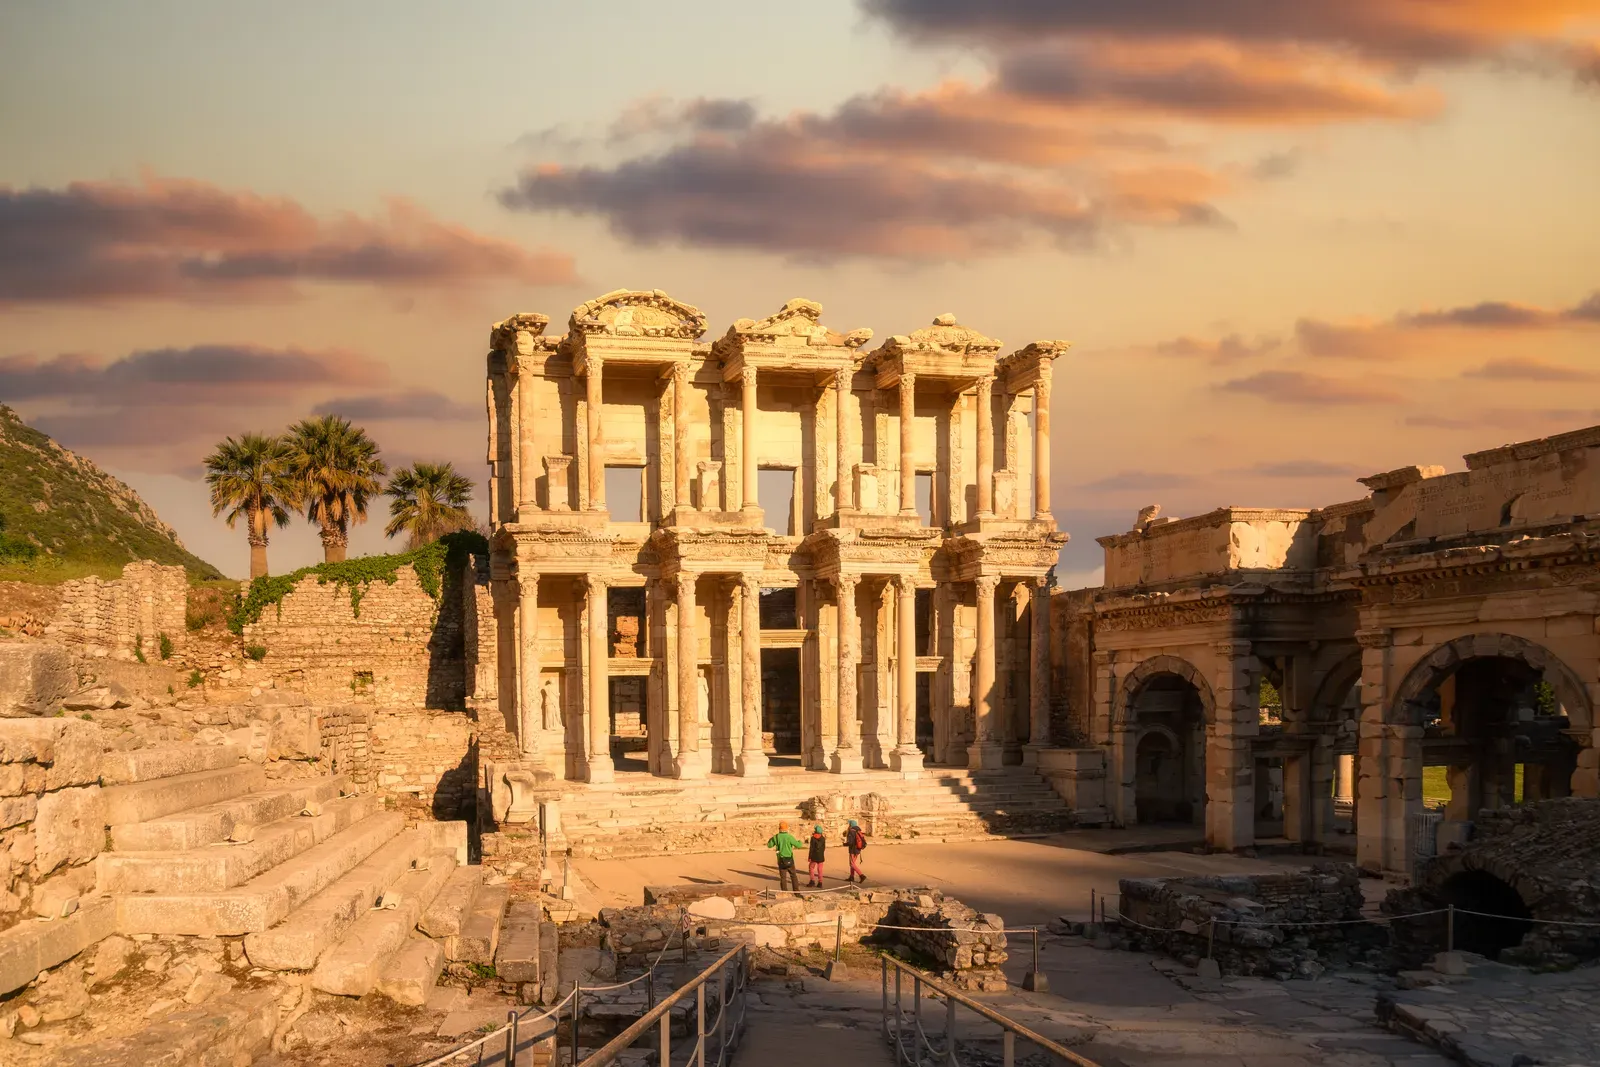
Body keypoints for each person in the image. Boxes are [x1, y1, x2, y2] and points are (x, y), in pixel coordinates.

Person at [765, 820, 804, 891]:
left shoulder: (776, 837)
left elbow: (769, 845)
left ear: (779, 828)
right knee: (793, 876)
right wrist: (800, 841)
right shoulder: (789, 837)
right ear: (786, 828)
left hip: (781, 859)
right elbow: (798, 845)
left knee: (783, 878)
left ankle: (784, 892)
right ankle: (796, 892)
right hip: (789, 859)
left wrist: (771, 839)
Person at [843, 819, 868, 883]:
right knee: (853, 863)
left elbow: (850, 842)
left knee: (852, 864)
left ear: (851, 825)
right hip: (858, 849)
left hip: (853, 850)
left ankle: (861, 875)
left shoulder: (851, 831)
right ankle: (851, 877)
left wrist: (844, 844)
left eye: (849, 824)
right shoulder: (858, 830)